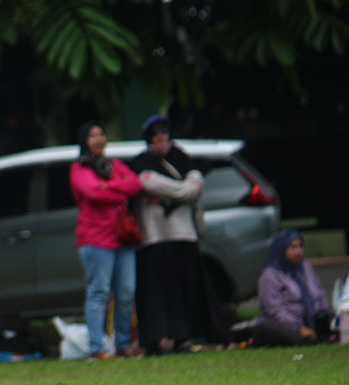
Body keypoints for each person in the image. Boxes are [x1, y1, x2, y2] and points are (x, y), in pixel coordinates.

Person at [130, 114, 231, 354]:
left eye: (163, 131)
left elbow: (195, 187)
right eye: (154, 134)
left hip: (183, 236)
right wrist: (182, 190)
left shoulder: (182, 158)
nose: (159, 137)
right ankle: (156, 339)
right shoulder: (140, 162)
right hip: (153, 239)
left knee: (184, 289)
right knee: (156, 291)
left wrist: (168, 193)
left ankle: (184, 337)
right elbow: (147, 182)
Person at [69, 120, 143, 359]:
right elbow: (93, 192)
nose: (99, 139)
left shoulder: (115, 165)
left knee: (126, 292)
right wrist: (117, 188)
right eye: (93, 136)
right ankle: (97, 347)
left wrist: (108, 185)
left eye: (102, 134)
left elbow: (135, 184)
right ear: (84, 142)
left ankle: (123, 343)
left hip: (123, 237)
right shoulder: (79, 169)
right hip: (95, 239)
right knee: (99, 292)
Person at [252, 230, 333, 346]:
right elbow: (275, 310)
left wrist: (326, 316)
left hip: (310, 321)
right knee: (268, 327)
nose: (298, 251)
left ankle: (319, 335)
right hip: (285, 325)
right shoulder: (270, 275)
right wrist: (298, 327)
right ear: (281, 249)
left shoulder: (305, 267)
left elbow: (319, 294)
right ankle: (303, 339)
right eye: (293, 247)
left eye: (300, 246)